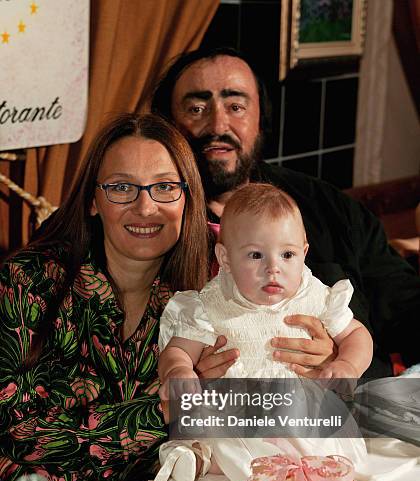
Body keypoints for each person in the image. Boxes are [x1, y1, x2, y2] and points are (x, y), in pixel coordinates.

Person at [151, 47, 420, 381]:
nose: (218, 124)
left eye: (236, 106)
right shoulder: (155, 223)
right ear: (169, 125)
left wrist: (342, 359)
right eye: (196, 108)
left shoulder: (327, 207)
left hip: (350, 415)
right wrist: (185, 370)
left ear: (260, 119)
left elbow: (407, 308)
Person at [0, 113, 210, 481]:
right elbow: (16, 428)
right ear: (94, 200)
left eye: (165, 187)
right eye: (121, 187)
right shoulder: (28, 281)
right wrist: (165, 410)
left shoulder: (205, 300)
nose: (146, 207)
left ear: (188, 197)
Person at [154, 184, 371, 481]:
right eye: (256, 255)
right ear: (225, 258)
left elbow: (358, 335)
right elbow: (178, 349)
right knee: (218, 438)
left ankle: (304, 470)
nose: (273, 268)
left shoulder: (316, 296)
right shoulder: (211, 305)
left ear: (304, 253)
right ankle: (199, 458)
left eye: (287, 254)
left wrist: (348, 364)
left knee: (323, 442)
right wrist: (179, 371)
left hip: (300, 414)